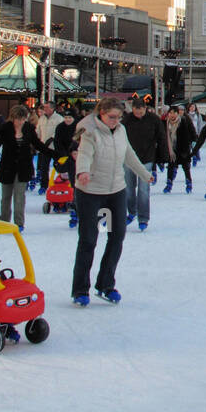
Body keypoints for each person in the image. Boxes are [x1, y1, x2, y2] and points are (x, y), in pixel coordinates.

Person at [72, 97, 152, 306]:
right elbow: (84, 155)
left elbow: (129, 154)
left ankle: (106, 284)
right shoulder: (91, 132)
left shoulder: (121, 131)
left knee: (117, 237)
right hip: (90, 191)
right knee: (88, 239)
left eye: (118, 117)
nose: (115, 121)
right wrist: (82, 172)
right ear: (101, 114)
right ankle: (80, 289)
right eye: (111, 117)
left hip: (116, 190)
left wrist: (144, 174)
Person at [0, 105, 46, 231]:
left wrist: (51, 153)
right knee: (6, 196)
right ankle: (3, 221)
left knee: (19, 196)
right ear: (13, 118)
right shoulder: (6, 128)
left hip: (23, 167)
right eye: (18, 119)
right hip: (7, 167)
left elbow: (37, 143)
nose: (20, 121)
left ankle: (19, 223)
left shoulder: (29, 128)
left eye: (22, 119)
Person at [122, 100, 169, 232]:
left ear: (145, 108)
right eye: (136, 110)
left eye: (140, 110)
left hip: (147, 158)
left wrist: (162, 157)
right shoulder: (126, 120)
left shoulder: (154, 119)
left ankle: (143, 218)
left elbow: (161, 138)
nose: (138, 112)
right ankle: (131, 211)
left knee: (143, 190)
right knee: (129, 188)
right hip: (129, 159)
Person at [164, 106, 196, 193]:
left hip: (183, 149)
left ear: (178, 114)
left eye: (174, 113)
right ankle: (169, 184)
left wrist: (190, 146)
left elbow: (187, 135)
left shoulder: (183, 121)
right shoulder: (166, 123)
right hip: (172, 150)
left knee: (186, 167)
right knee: (170, 167)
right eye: (170, 113)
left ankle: (189, 183)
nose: (172, 115)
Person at [34, 101, 63, 194]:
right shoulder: (41, 119)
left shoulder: (59, 119)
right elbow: (37, 131)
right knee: (44, 168)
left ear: (52, 108)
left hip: (55, 148)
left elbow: (60, 132)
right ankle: (44, 185)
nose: (44, 109)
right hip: (44, 147)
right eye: (44, 107)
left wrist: (52, 138)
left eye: (46, 107)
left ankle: (62, 184)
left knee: (60, 167)